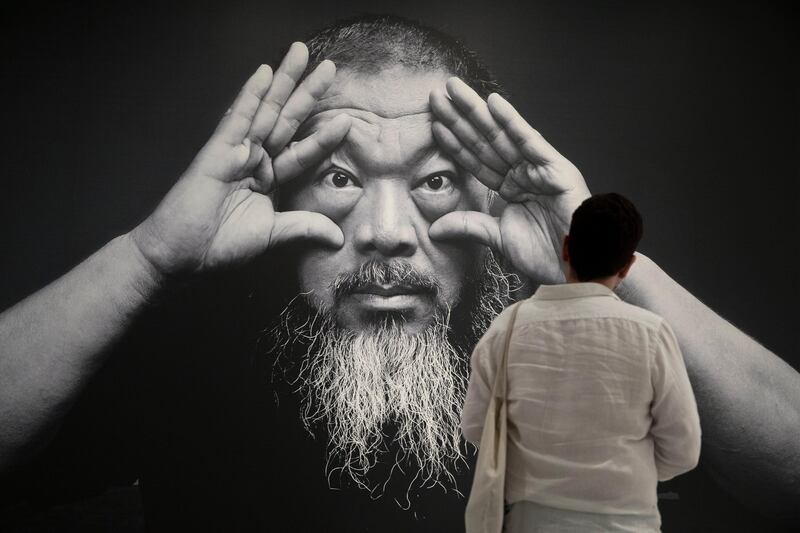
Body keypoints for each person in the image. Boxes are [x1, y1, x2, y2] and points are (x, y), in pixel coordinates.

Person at [0, 15, 797, 531]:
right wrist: (144, 258)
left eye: (436, 180)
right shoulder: (199, 340)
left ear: (491, 187)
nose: (387, 236)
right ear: (281, 192)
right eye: (342, 178)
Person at [462, 192, 702, 532]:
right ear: (628, 266)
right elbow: (684, 450)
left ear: (565, 248)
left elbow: (476, 428)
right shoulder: (652, 333)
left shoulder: (507, 328)